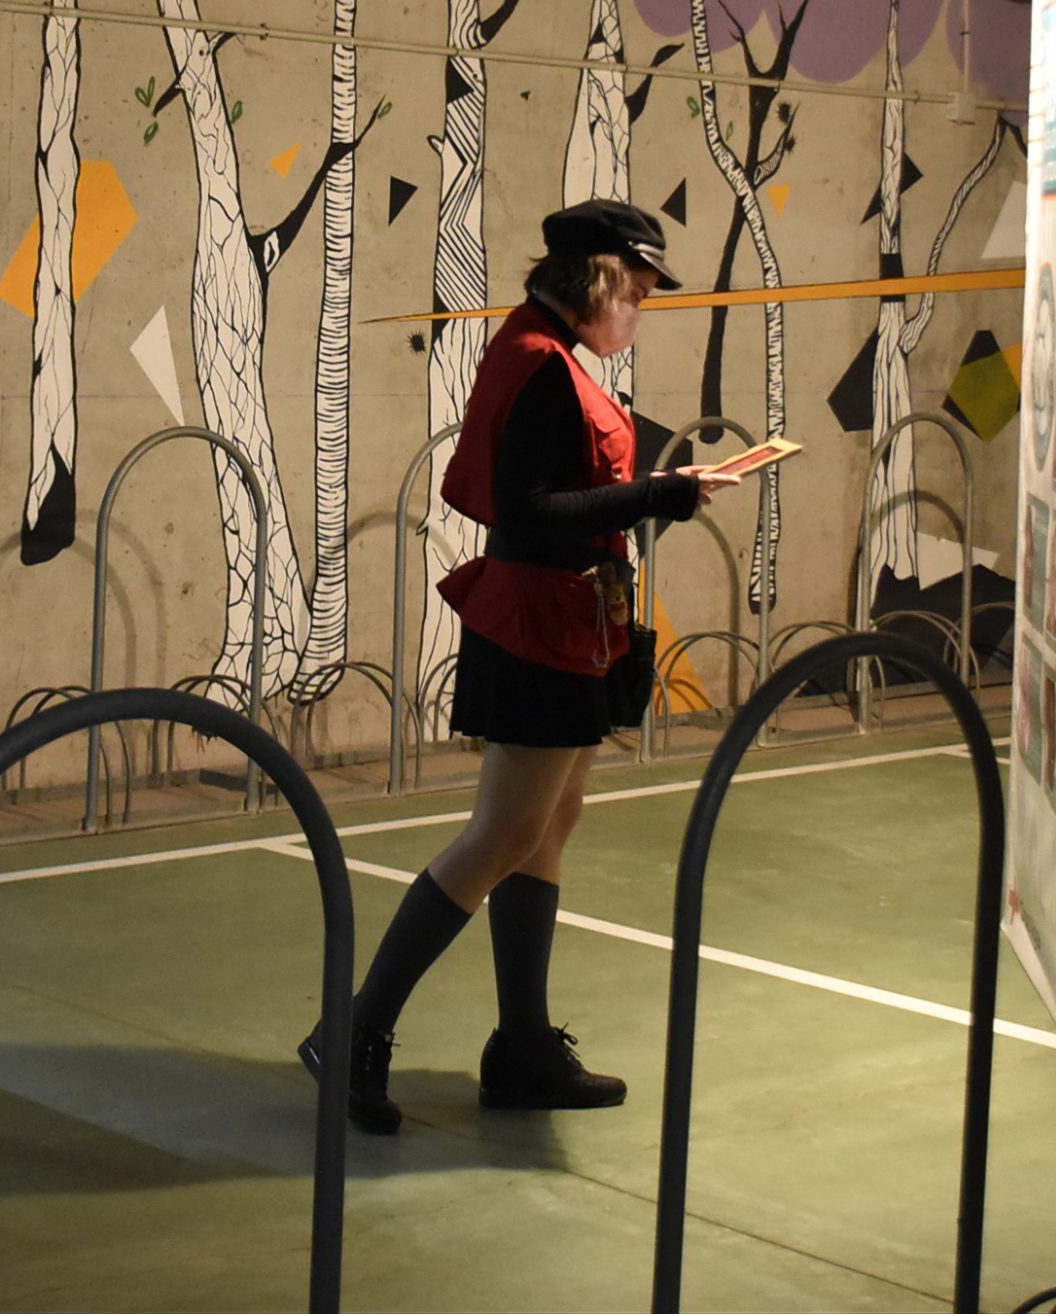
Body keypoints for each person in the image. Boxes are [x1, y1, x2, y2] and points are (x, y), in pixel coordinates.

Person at [301, 199, 742, 1134]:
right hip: (539, 622)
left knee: (547, 823)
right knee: (504, 833)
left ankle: (524, 1045)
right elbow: (529, 511)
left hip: (564, 619)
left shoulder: (541, 351)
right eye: (639, 292)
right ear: (603, 279)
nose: (642, 310)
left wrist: (651, 496)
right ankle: (352, 1031)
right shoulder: (541, 363)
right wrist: (657, 494)